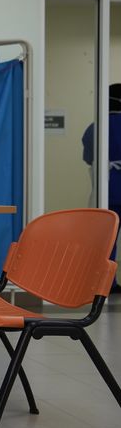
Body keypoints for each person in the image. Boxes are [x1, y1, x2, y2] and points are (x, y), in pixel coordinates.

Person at [82, 83, 121, 291]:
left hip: (107, 192)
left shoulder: (95, 128)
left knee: (108, 241)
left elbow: (89, 159)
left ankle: (106, 284)